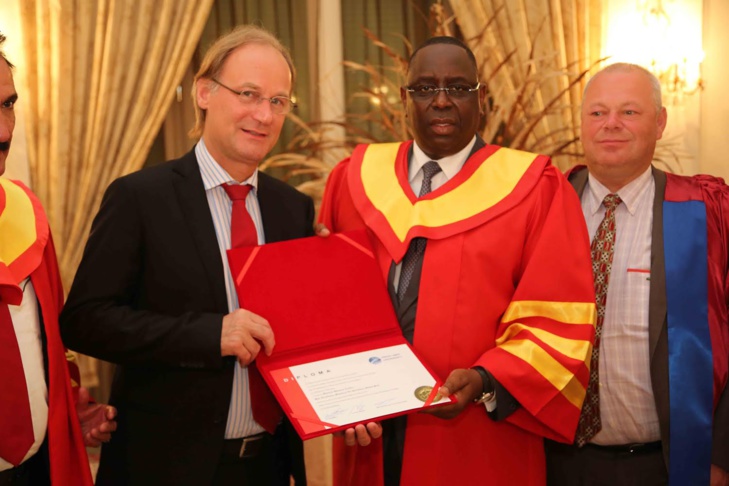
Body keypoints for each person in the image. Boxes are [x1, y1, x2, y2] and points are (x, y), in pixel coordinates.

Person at [318, 36, 597, 486]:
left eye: (459, 87)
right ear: (405, 98)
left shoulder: (534, 189)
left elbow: (558, 318)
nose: (442, 100)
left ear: (482, 98)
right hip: (369, 433)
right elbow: (326, 302)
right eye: (426, 88)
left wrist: (487, 379)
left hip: (478, 441)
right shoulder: (353, 180)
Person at [59, 25, 314, 485]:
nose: (264, 114)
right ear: (204, 92)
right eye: (249, 94)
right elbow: (85, 320)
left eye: (279, 101)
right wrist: (209, 334)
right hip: (164, 466)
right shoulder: (140, 197)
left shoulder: (293, 208)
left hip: (268, 467)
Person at [545, 62, 729, 486]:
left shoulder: (706, 213)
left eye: (629, 112)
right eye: (597, 113)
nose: (611, 125)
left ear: (660, 122)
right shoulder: (544, 208)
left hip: (666, 464)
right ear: (581, 123)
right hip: (555, 461)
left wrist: (720, 453)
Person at [0, 33, 117, 485]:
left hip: (38, 471)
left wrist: (68, 414)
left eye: (9, 104)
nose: (5, 132)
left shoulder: (26, 215)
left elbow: (43, 347)